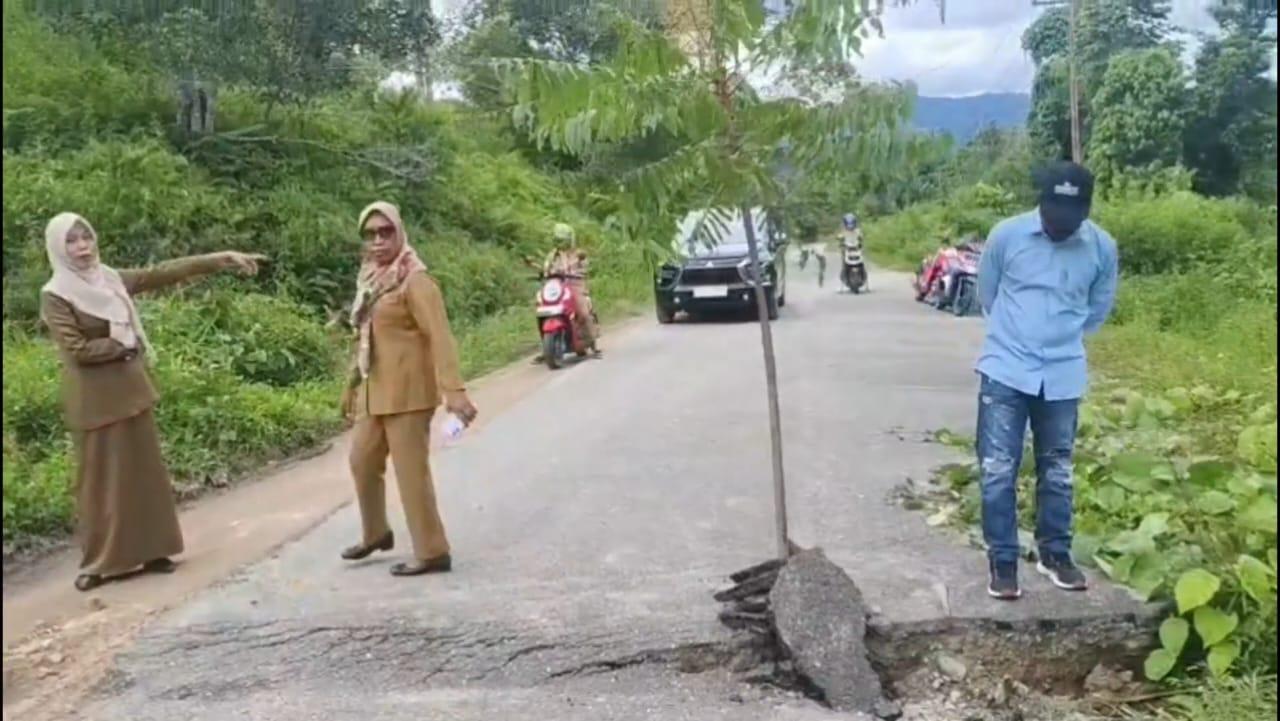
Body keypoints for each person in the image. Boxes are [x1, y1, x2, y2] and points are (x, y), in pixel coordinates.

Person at [39, 212, 266, 592]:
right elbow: (76, 349)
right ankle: (100, 563)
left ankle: (154, 551)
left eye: (86, 237)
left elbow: (161, 273)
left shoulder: (110, 279)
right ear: (57, 249)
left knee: (144, 476)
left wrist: (219, 259)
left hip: (132, 391)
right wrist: (122, 342)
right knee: (100, 482)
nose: (82, 247)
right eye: (72, 241)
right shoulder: (56, 294)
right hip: (95, 401)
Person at [975, 162, 1118, 600]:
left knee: (1058, 471)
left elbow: (1097, 309)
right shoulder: (1007, 236)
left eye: (1071, 214)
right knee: (998, 469)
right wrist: (1019, 336)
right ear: (1041, 202)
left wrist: (1057, 338)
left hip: (1062, 373)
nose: (1061, 222)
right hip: (1005, 368)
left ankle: (1055, 554)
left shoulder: (1102, 248)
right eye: (1054, 212)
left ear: (1086, 209)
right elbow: (987, 294)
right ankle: (1003, 560)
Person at [340, 201, 478, 577]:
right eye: (370, 234)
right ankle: (376, 533)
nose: (378, 240)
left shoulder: (415, 280)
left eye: (386, 232)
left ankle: (432, 551)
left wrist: (454, 390)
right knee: (361, 461)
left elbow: (440, 336)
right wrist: (351, 386)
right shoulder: (371, 278)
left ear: (400, 233)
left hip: (409, 394)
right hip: (374, 390)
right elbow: (364, 337)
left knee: (410, 473)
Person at [542, 222, 600, 356]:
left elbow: (585, 267)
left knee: (583, 313)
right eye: (558, 240)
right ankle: (546, 346)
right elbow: (546, 268)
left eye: (563, 240)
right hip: (557, 286)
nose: (561, 243)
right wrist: (546, 273)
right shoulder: (552, 256)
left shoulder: (578, 254)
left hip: (575, 285)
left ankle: (591, 342)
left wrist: (578, 271)